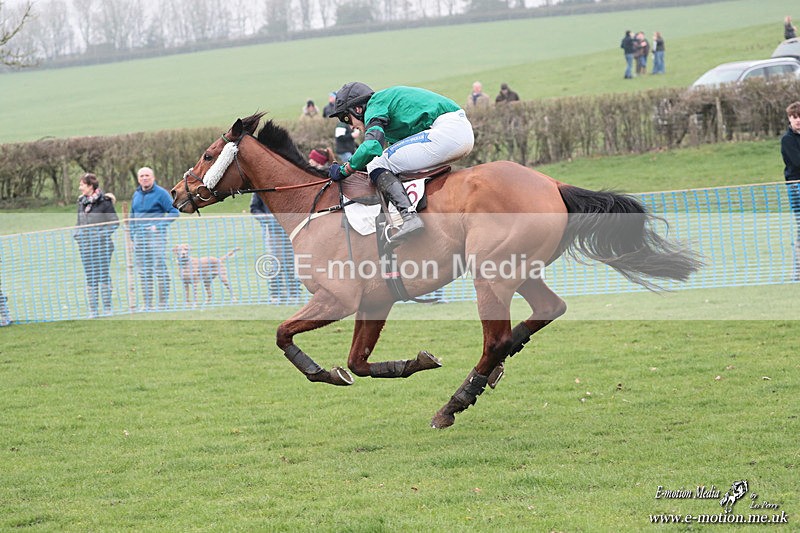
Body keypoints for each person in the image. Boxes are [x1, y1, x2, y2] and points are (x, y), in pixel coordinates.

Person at [327, 82, 474, 247]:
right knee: (383, 162)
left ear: (358, 109)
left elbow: (372, 147)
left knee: (377, 164)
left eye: (346, 118)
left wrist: (345, 169)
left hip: (447, 132)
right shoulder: (387, 108)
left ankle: (409, 217)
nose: (350, 125)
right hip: (458, 131)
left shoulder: (375, 104)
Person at [130, 166, 179, 311]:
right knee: (144, 272)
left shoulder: (162, 194)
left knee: (159, 268)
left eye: (147, 175)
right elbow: (132, 217)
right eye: (142, 176)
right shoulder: (136, 195)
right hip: (139, 238)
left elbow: (174, 212)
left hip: (156, 237)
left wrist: (158, 225)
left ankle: (163, 303)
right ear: (138, 179)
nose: (145, 178)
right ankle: (147, 305)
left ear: (153, 178)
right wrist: (132, 235)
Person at [74, 173, 119, 318]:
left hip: (103, 246)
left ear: (90, 186)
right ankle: (93, 310)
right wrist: (77, 234)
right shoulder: (81, 202)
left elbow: (114, 223)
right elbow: (79, 222)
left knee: (103, 275)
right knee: (90, 277)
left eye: (82, 185)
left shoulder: (105, 202)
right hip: (86, 247)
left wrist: (99, 235)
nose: (80, 188)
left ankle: (107, 308)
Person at [250, 193, 302, 303]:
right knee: (274, 263)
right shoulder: (259, 190)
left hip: (290, 230)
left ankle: (294, 293)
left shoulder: (286, 187)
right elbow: (254, 209)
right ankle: (276, 294)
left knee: (291, 262)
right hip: (272, 231)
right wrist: (268, 221)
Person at [781, 101, 800, 281]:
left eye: (799, 117)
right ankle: (798, 270)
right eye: (794, 117)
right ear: (789, 119)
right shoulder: (787, 140)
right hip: (796, 186)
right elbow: (796, 161)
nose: (797, 120)